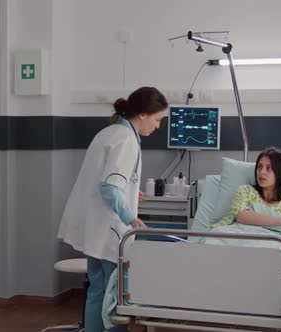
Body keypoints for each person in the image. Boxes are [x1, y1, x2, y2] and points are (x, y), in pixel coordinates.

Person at [57, 87, 168, 332]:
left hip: (94, 228)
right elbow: (109, 187)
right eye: (158, 119)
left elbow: (104, 179)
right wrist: (132, 218)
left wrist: (130, 190)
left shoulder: (109, 132)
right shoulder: (127, 140)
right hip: (110, 230)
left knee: (98, 289)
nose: (158, 126)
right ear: (142, 114)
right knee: (115, 296)